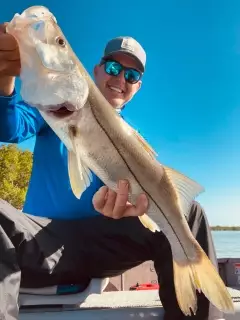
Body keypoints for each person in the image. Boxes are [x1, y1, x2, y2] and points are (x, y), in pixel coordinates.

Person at [0, 23, 225, 320]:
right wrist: (5, 75)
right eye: (114, 67)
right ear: (96, 69)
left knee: (189, 213)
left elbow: (140, 207)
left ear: (137, 87)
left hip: (102, 246)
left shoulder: (135, 140)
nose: (121, 78)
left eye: (131, 75)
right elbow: (9, 126)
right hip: (41, 240)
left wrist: (135, 210)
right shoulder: (51, 105)